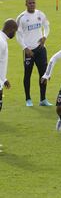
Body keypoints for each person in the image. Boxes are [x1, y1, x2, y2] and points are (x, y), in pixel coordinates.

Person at [16, 0, 52, 107]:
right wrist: (25, 48)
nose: (32, 4)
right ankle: (28, 99)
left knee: (43, 74)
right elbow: (18, 35)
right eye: (30, 3)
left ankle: (43, 99)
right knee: (28, 75)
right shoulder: (21, 17)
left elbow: (47, 27)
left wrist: (45, 37)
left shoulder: (40, 14)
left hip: (40, 49)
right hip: (29, 51)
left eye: (33, 3)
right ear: (26, 4)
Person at [0, 19, 18, 153]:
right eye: (15, 31)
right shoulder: (1, 42)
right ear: (11, 29)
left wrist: (4, 78)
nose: (15, 34)